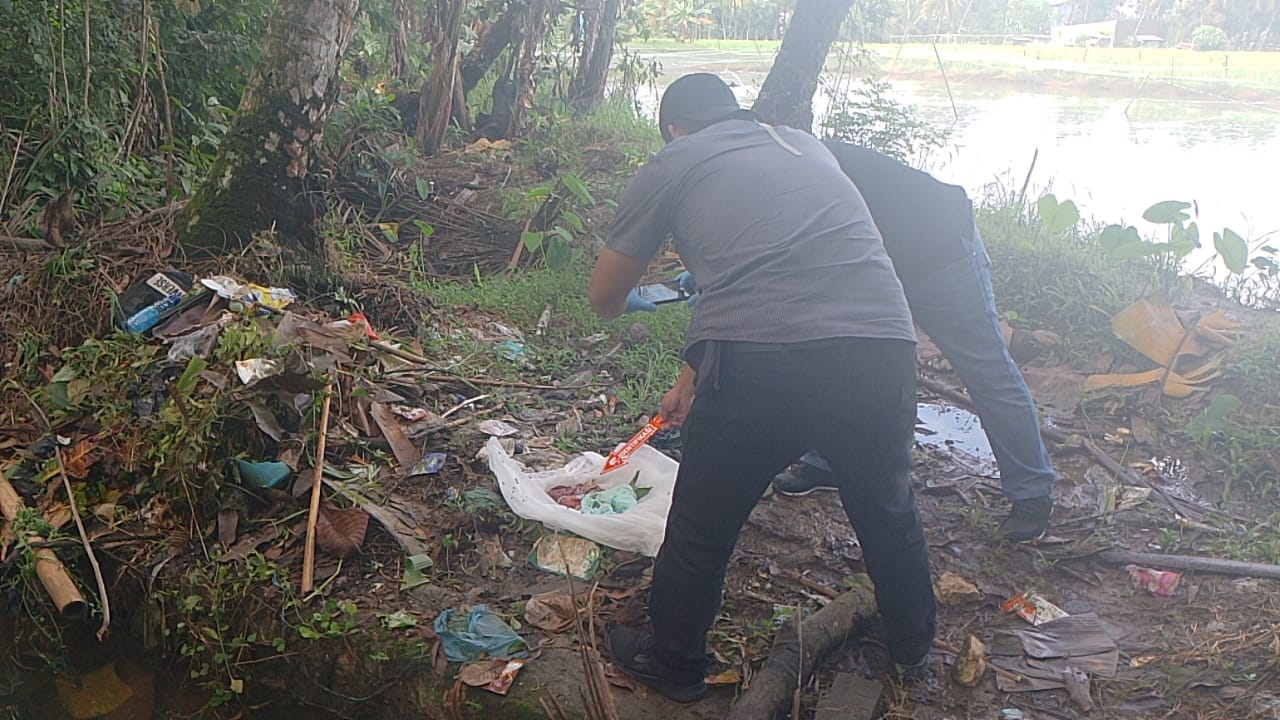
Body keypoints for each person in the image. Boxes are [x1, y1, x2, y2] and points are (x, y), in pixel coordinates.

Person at [587, 73, 935, 703]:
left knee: (703, 521)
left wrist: (635, 301)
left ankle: (674, 662)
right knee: (886, 503)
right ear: (735, 113)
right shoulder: (804, 144)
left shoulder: (675, 159)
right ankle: (913, 645)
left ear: (672, 127)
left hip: (764, 367)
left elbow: (603, 296)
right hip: (883, 349)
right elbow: (785, 264)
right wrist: (690, 376)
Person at [767, 142, 1057, 542]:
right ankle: (828, 461)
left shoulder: (794, 164)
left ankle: (1032, 492)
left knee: (985, 368)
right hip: (873, 257)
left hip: (938, 252)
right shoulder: (759, 174)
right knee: (841, 357)